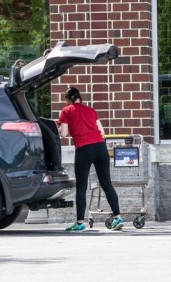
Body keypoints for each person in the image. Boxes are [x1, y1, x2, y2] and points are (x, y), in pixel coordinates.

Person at [58, 87, 124, 232]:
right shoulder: (91, 110)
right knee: (107, 184)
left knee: (81, 187)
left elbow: (63, 133)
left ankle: (80, 223)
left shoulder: (66, 111)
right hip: (100, 147)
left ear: (68, 99)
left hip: (84, 149)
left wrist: (66, 129)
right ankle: (118, 217)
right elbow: (102, 131)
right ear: (80, 98)